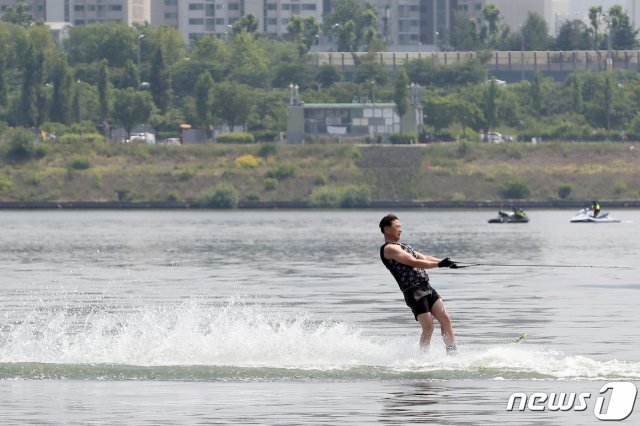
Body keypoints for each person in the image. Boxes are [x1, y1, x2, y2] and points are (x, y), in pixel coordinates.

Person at [379, 213, 459, 354]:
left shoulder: (403, 246)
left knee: (445, 319)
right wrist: (439, 265)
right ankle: (421, 358)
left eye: (401, 227)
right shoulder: (389, 249)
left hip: (426, 287)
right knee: (428, 327)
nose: (400, 229)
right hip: (413, 291)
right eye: (397, 227)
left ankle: (452, 353)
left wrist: (446, 263)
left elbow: (424, 257)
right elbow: (413, 262)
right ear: (387, 229)